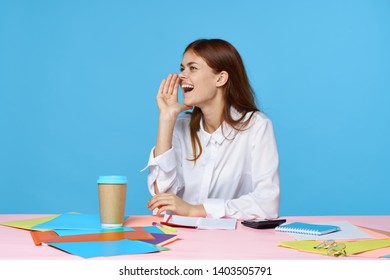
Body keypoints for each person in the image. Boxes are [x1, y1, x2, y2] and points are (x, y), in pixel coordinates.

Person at [145, 39, 280, 220]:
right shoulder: (180, 126)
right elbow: (161, 198)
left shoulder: (257, 126)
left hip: (235, 240)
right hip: (184, 238)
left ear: (220, 78)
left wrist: (195, 210)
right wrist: (166, 118)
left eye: (192, 68)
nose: (181, 76)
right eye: (182, 68)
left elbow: (267, 204)